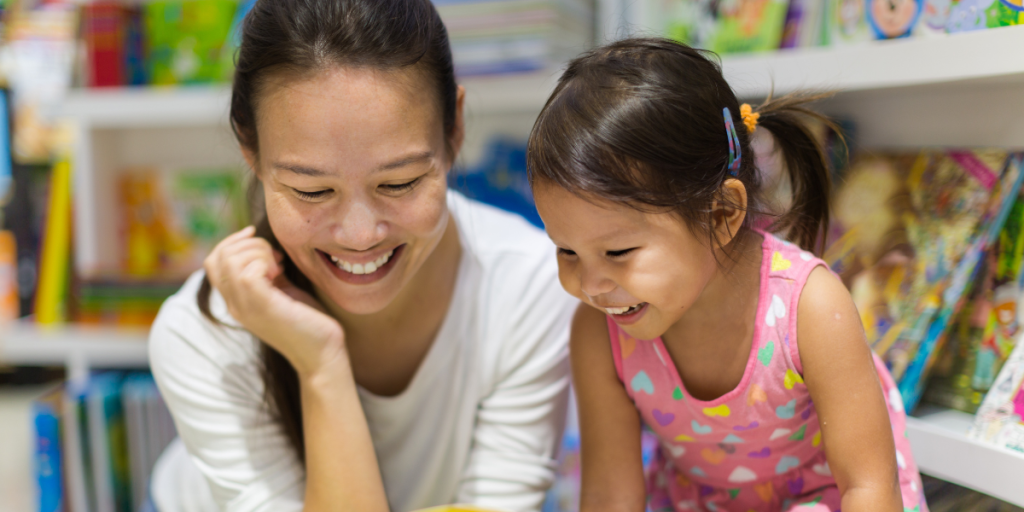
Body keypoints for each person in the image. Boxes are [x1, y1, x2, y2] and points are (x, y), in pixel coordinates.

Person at [147, 1, 576, 511]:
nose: (359, 235)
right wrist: (320, 364)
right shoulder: (203, 334)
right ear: (250, 150)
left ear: (455, 128)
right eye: (311, 191)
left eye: (399, 183)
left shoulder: (529, 286)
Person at [526, 38, 928, 512]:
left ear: (722, 214)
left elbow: (868, 489)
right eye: (566, 250)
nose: (590, 285)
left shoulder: (810, 307)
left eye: (618, 251)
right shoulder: (600, 330)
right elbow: (610, 496)